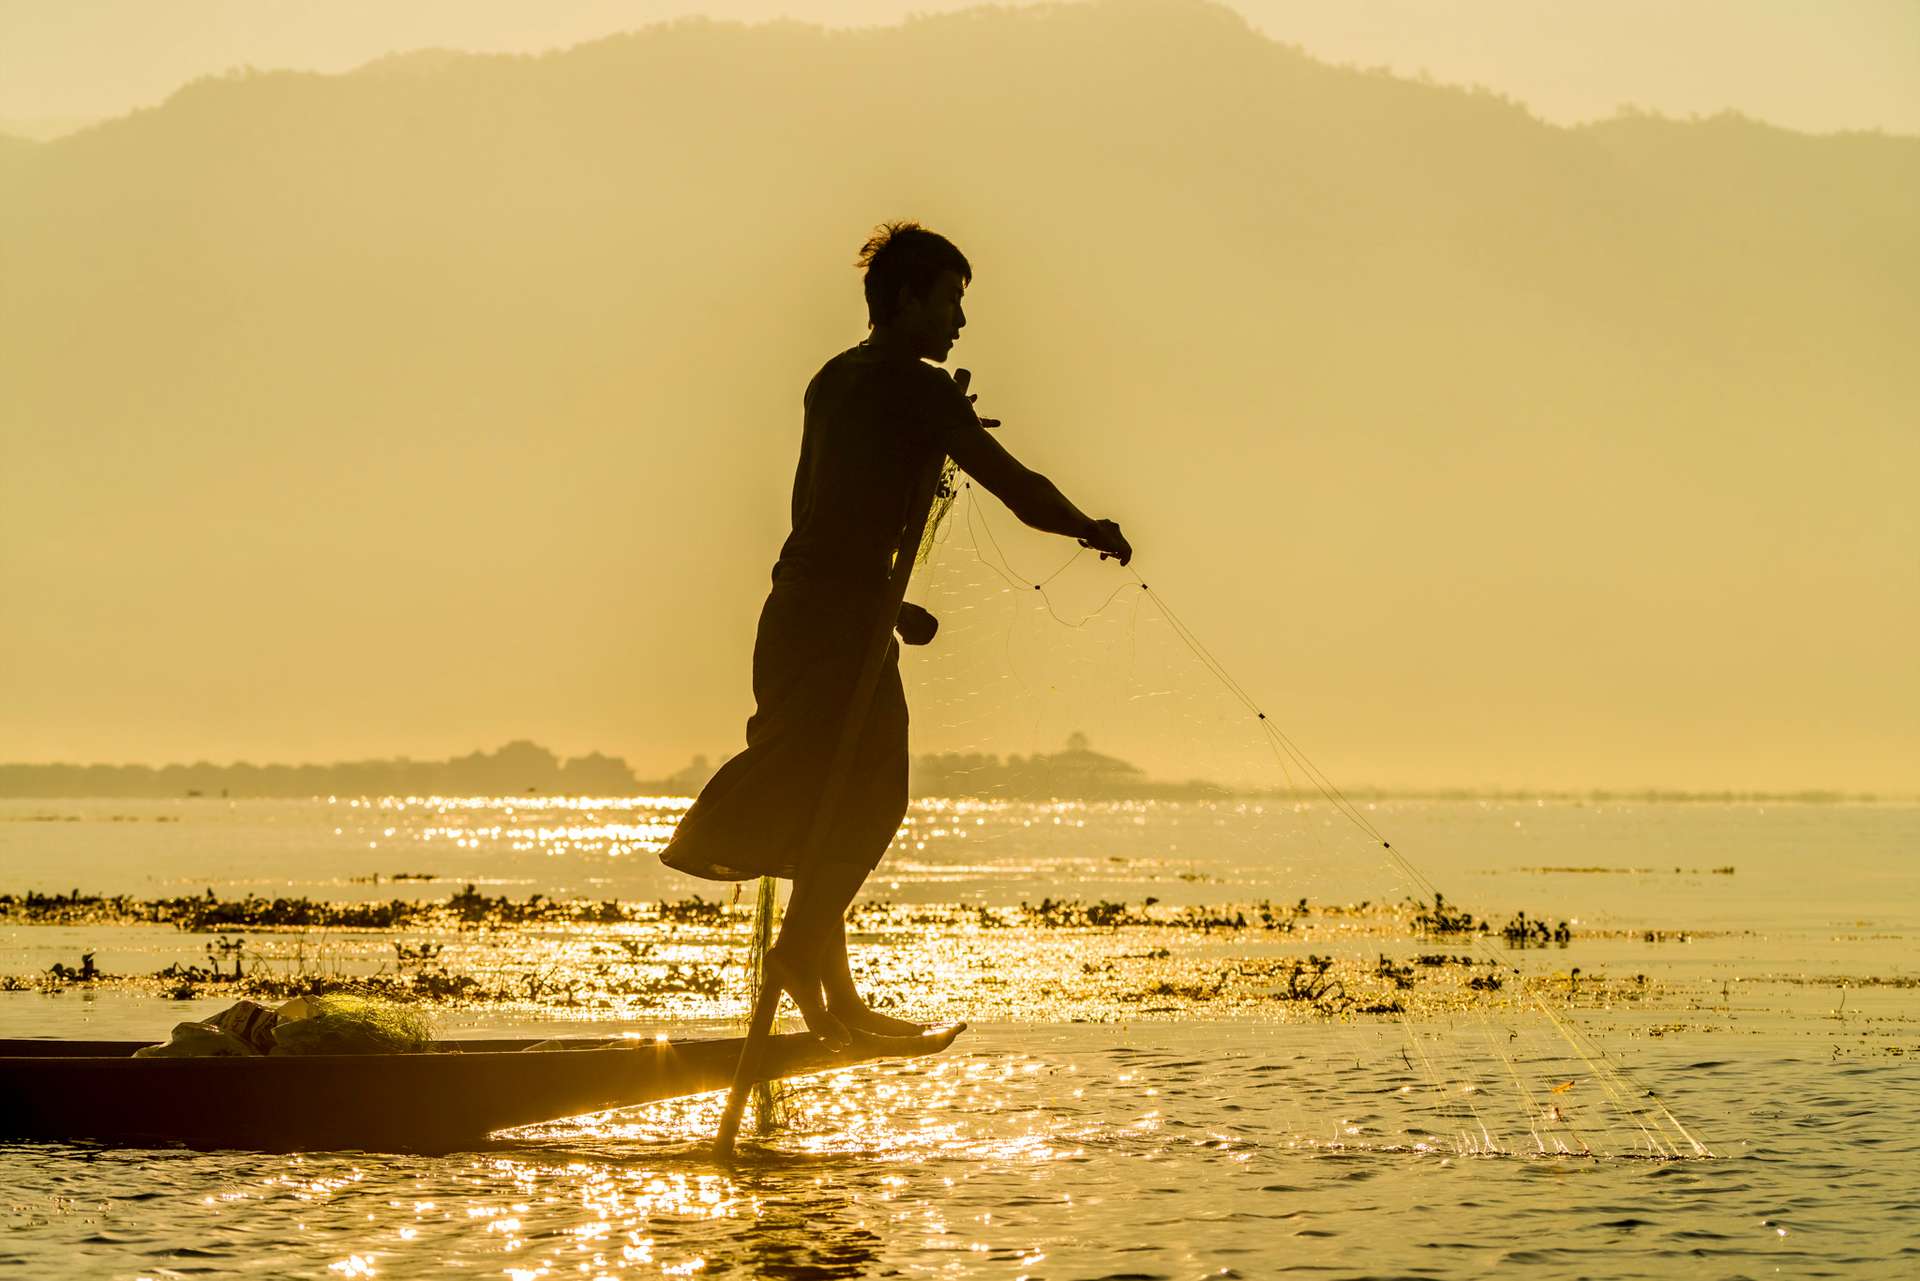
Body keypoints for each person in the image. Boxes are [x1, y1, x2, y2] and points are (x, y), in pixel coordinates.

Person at [660, 221, 1131, 1047]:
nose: (958, 322)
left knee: (826, 803)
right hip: (840, 622)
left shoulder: (833, 379)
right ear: (906, 298)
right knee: (871, 797)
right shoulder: (918, 389)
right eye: (949, 300)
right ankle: (802, 959)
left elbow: (821, 511)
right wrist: (1088, 525)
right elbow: (1017, 489)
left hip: (800, 611)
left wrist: (888, 604)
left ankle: (832, 996)